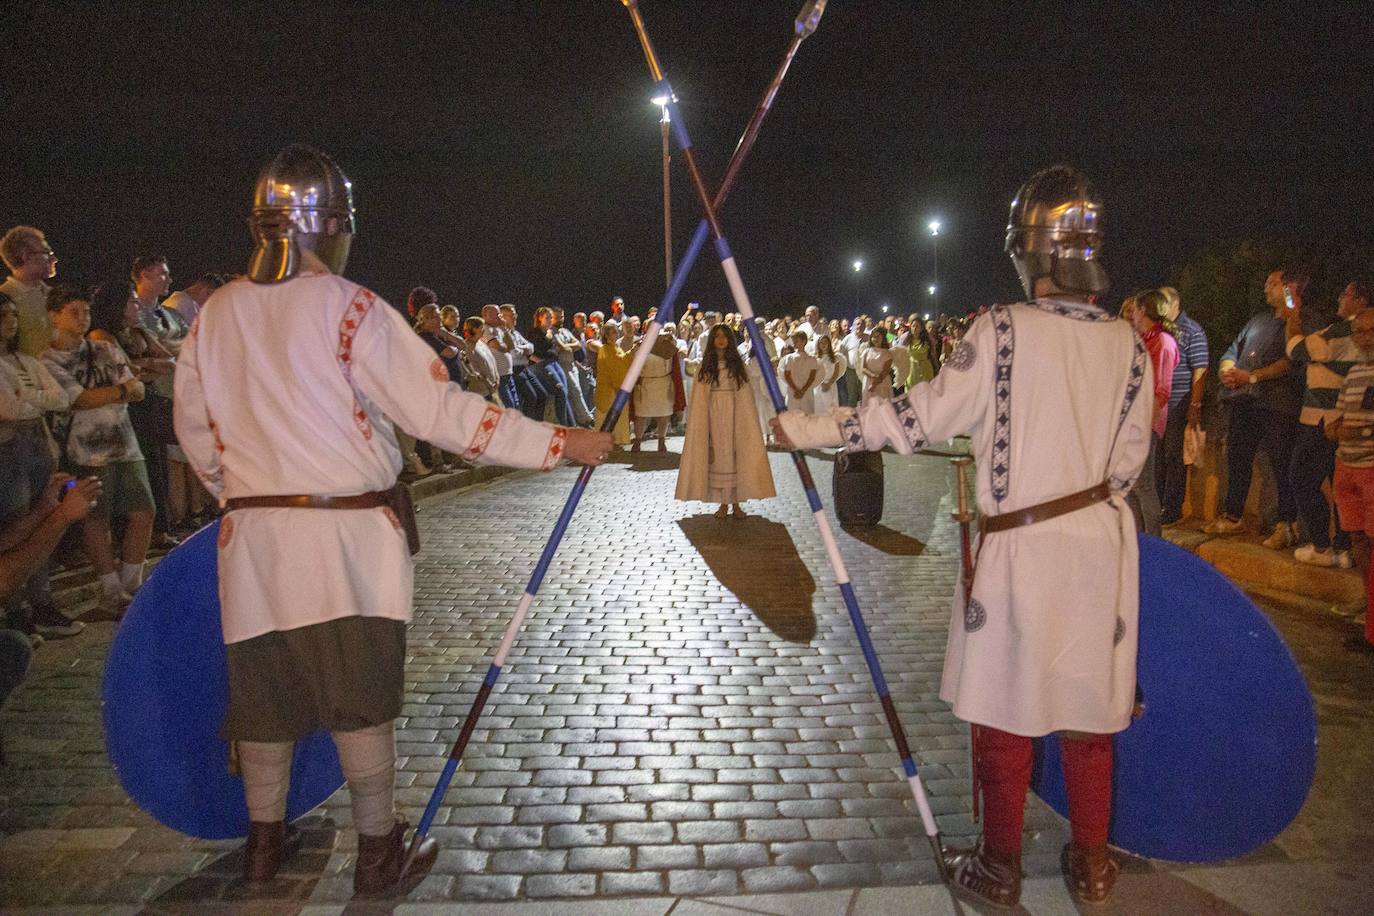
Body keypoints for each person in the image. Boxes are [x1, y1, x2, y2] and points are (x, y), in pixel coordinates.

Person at [172, 145, 610, 894]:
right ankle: (379, 852)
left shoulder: (216, 315)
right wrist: (560, 442)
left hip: (251, 543)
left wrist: (247, 492)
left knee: (266, 703)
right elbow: (437, 410)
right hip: (342, 540)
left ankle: (263, 846)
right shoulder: (350, 307)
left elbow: (196, 434)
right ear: (332, 227)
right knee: (358, 700)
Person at [773, 165, 1151, 908]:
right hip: (1104, 547)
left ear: (1029, 252)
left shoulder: (1002, 331)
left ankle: (1000, 866)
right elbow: (1130, 464)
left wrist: (806, 429)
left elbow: (910, 421)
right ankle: (1094, 864)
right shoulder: (1130, 343)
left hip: (1021, 549)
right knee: (1088, 709)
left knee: (1007, 711)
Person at [42, 286, 155, 618]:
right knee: (95, 517)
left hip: (124, 442)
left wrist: (116, 391)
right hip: (84, 449)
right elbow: (78, 399)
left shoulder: (104, 347)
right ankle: (110, 588)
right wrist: (121, 390)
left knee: (143, 510)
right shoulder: (48, 360)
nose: (82, 318)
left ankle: (130, 583)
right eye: (73, 312)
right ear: (54, 315)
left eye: (86, 312)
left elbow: (137, 390)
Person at [1, 293, 81, 639]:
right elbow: (9, 408)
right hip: (9, 451)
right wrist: (35, 403)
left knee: (45, 519)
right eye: (4, 315)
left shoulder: (25, 361)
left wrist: (28, 399)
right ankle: (16, 607)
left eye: (13, 315)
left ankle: (41, 602)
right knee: (18, 525)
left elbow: (60, 398)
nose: (11, 322)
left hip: (38, 446)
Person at [1205, 269, 1303, 546]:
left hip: (1276, 404)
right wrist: (1227, 370)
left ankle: (1287, 523)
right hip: (1244, 401)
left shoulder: (1296, 319)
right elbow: (1231, 350)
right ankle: (1234, 516)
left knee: (1280, 462)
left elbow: (1292, 359)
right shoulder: (1257, 320)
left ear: (1287, 287)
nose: (1265, 287)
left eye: (1273, 283)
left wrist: (1252, 376)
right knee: (1238, 456)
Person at [1284, 280, 1368, 567]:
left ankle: (1322, 546)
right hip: (1343, 418)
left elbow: (1297, 349)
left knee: (1301, 477)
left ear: (1360, 300)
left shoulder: (1347, 330)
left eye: (1345, 294)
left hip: (1325, 418)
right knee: (1340, 485)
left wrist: (1291, 312)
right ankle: (1343, 548)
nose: (1339, 299)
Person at [677, 324, 775, 518]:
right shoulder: (706, 366)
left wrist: (744, 419)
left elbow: (745, 394)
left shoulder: (738, 366)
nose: (721, 340)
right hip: (714, 416)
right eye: (717, 336)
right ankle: (723, 503)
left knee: (735, 457)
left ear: (730, 339)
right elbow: (700, 396)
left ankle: (737, 503)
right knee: (719, 459)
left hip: (735, 416)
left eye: (724, 336)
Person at [1329, 308, 1374, 653]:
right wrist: (1338, 429)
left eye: (1371, 330)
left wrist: (1348, 428)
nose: (1365, 337)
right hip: (1347, 463)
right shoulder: (1356, 372)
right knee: (1358, 541)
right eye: (1359, 331)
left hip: (1370, 466)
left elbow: (1358, 424)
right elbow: (1340, 418)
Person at [1125, 289, 1178, 536]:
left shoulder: (1163, 342)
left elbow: (1162, 389)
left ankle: (1154, 542)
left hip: (1146, 423)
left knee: (1144, 485)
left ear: (1144, 310)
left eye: (1135, 309)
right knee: (1132, 485)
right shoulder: (1144, 340)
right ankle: (1138, 541)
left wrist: (1145, 425)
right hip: (1133, 421)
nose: (1132, 314)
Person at [1156, 286, 1209, 525]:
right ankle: (1157, 503)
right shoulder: (1161, 330)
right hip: (1160, 406)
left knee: (1174, 456)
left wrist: (1195, 404)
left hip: (1178, 403)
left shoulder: (1192, 331)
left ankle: (1172, 507)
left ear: (1175, 304)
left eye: (1163, 301)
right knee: (1158, 456)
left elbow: (1200, 369)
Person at [0, 226, 59, 357]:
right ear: (24, 256)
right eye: (46, 253)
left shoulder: (55, 295)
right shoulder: (6, 298)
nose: (54, 259)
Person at [631, 329, 675, 452]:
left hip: (663, 383)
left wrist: (669, 338)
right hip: (646, 383)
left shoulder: (666, 344)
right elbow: (632, 358)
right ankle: (638, 441)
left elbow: (675, 348)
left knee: (664, 414)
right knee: (640, 415)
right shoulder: (642, 346)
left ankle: (662, 441)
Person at [593, 322, 632, 447]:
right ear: (607, 334)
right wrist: (632, 351)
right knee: (608, 417)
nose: (617, 333)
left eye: (616, 331)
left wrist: (632, 351)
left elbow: (623, 361)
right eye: (614, 331)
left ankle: (615, 441)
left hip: (617, 387)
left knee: (617, 417)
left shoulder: (616, 347)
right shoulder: (604, 349)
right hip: (608, 389)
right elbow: (614, 365)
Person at [460, 316, 500, 402]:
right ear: (474, 329)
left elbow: (492, 360)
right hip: (481, 393)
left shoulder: (481, 342)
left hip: (492, 389)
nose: (483, 330)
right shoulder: (467, 347)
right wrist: (489, 386)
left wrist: (497, 379)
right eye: (481, 328)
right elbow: (475, 371)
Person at [779, 330, 820, 413]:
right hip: (793, 393)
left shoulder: (811, 359)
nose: (794, 342)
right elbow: (787, 375)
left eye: (796, 341)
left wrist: (802, 390)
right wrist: (796, 390)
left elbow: (812, 377)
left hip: (806, 393)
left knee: (807, 416)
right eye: (794, 340)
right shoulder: (789, 358)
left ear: (804, 341)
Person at [812, 334, 846, 415]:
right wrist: (822, 384)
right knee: (819, 408)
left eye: (825, 342)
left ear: (829, 344)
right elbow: (814, 373)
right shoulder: (815, 358)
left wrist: (829, 384)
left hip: (831, 385)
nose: (823, 344)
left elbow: (836, 373)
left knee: (831, 409)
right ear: (818, 344)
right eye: (821, 343)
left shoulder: (835, 357)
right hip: (819, 385)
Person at [860, 326, 893, 402]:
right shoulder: (866, 351)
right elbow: (863, 368)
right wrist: (872, 376)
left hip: (882, 381)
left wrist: (874, 384)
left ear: (883, 338)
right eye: (874, 337)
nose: (876, 339)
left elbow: (885, 371)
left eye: (878, 336)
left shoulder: (887, 353)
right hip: (869, 380)